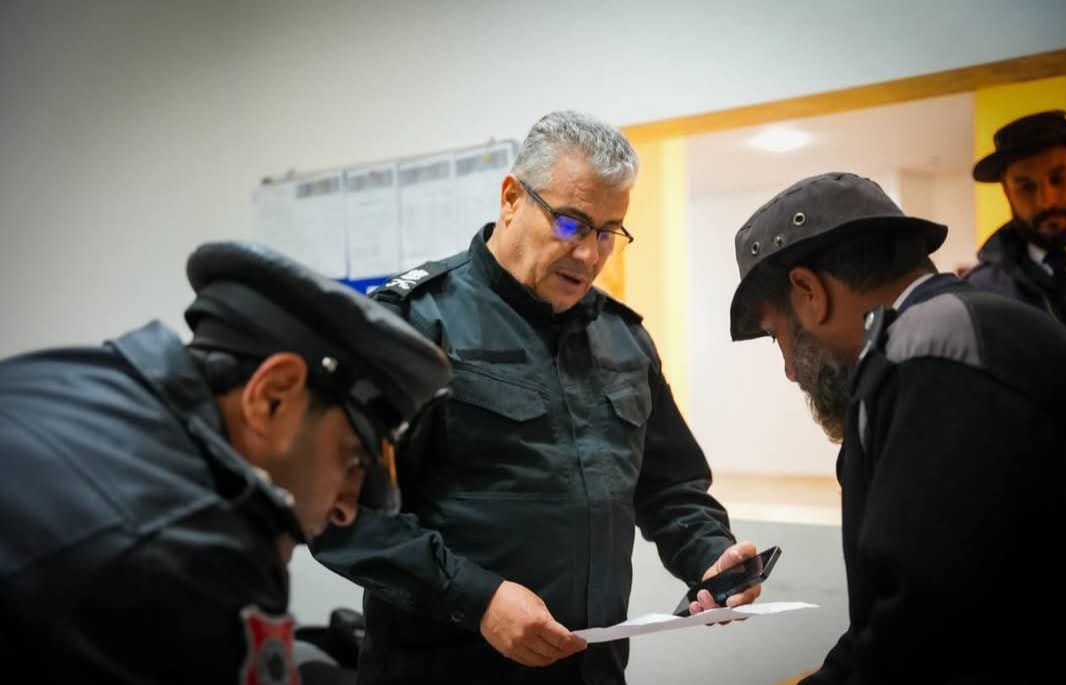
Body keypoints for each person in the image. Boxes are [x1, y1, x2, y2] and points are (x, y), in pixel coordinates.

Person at [312, 110, 760, 684]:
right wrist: (478, 599)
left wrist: (710, 554)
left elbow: (671, 488)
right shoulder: (413, 325)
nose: (589, 255)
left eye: (607, 233)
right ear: (510, 198)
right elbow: (338, 512)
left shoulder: (624, 339)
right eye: (571, 224)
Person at [0, 241, 451, 683]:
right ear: (272, 396)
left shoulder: (70, 377)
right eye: (353, 460)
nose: (346, 510)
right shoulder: (189, 552)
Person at [728, 172, 1066, 683]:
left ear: (808, 292)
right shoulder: (967, 328)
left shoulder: (929, 352)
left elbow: (921, 622)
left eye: (774, 334)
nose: (789, 369)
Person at [964, 109, 1066, 334]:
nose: (1046, 202)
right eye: (1026, 187)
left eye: (1058, 179)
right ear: (1007, 192)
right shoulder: (980, 293)